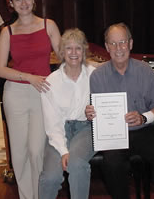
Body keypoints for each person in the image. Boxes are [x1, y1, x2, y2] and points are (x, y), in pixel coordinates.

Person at [85, 22, 154, 199]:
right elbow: (97, 116)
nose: (118, 48)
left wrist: (143, 117)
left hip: (144, 130)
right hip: (114, 136)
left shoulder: (146, 71)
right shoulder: (97, 76)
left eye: (122, 42)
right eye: (113, 43)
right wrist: (91, 115)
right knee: (112, 166)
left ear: (130, 44)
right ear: (107, 47)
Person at [0, 0, 61, 199]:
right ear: (11, 4)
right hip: (16, 93)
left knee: (36, 150)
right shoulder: (8, 32)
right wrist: (28, 77)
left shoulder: (48, 25)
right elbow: (0, 70)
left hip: (42, 92)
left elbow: (65, 56)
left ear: (34, 0)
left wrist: (89, 66)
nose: (23, 3)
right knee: (20, 153)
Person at [39, 28, 96, 199]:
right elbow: (52, 123)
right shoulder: (50, 82)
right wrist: (63, 151)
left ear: (84, 51)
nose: (73, 53)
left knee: (77, 164)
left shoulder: (94, 75)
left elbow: (105, 106)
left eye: (78, 48)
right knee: (50, 178)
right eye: (68, 48)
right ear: (62, 52)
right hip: (59, 131)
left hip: (85, 129)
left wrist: (96, 111)